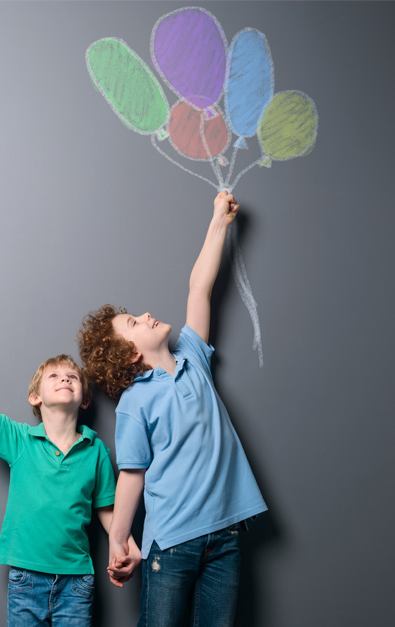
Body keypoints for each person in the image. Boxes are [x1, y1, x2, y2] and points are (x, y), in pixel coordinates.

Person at [76, 191, 268, 626]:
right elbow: (132, 474)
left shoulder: (193, 357)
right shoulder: (134, 402)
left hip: (225, 532)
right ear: (128, 355)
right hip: (172, 542)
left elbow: (200, 286)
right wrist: (119, 540)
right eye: (134, 323)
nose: (145, 315)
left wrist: (219, 221)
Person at [0, 326, 140, 627]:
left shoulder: (96, 450)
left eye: (72, 377)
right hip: (27, 578)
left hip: (76, 581)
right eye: (54, 376)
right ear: (35, 397)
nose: (65, 380)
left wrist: (128, 545)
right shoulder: (19, 439)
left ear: (84, 400)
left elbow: (107, 510)